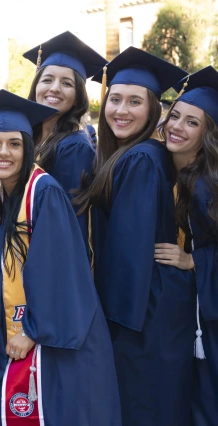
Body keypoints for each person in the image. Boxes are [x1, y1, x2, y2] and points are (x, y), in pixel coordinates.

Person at [0, 89, 121, 426]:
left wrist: (34, 331)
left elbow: (61, 272)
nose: (3, 152)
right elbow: (3, 270)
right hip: (27, 332)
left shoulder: (44, 191)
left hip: (56, 339)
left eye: (14, 143)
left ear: (28, 147)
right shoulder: (6, 196)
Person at [74, 47, 195, 426]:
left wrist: (107, 329)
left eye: (135, 102)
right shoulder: (133, 154)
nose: (121, 110)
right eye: (115, 100)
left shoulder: (141, 159)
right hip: (152, 309)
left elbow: (127, 256)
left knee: (142, 409)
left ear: (153, 110)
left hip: (141, 316)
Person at [155, 65, 218, 426]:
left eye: (192, 122)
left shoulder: (208, 185)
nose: (177, 126)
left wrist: (194, 260)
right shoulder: (167, 169)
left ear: (207, 133)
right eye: (175, 115)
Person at [23, 31, 105, 254]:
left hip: (46, 256)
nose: (55, 88)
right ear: (36, 86)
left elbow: (66, 222)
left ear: (78, 95)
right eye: (47, 79)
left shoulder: (74, 147)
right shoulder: (27, 136)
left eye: (66, 83)